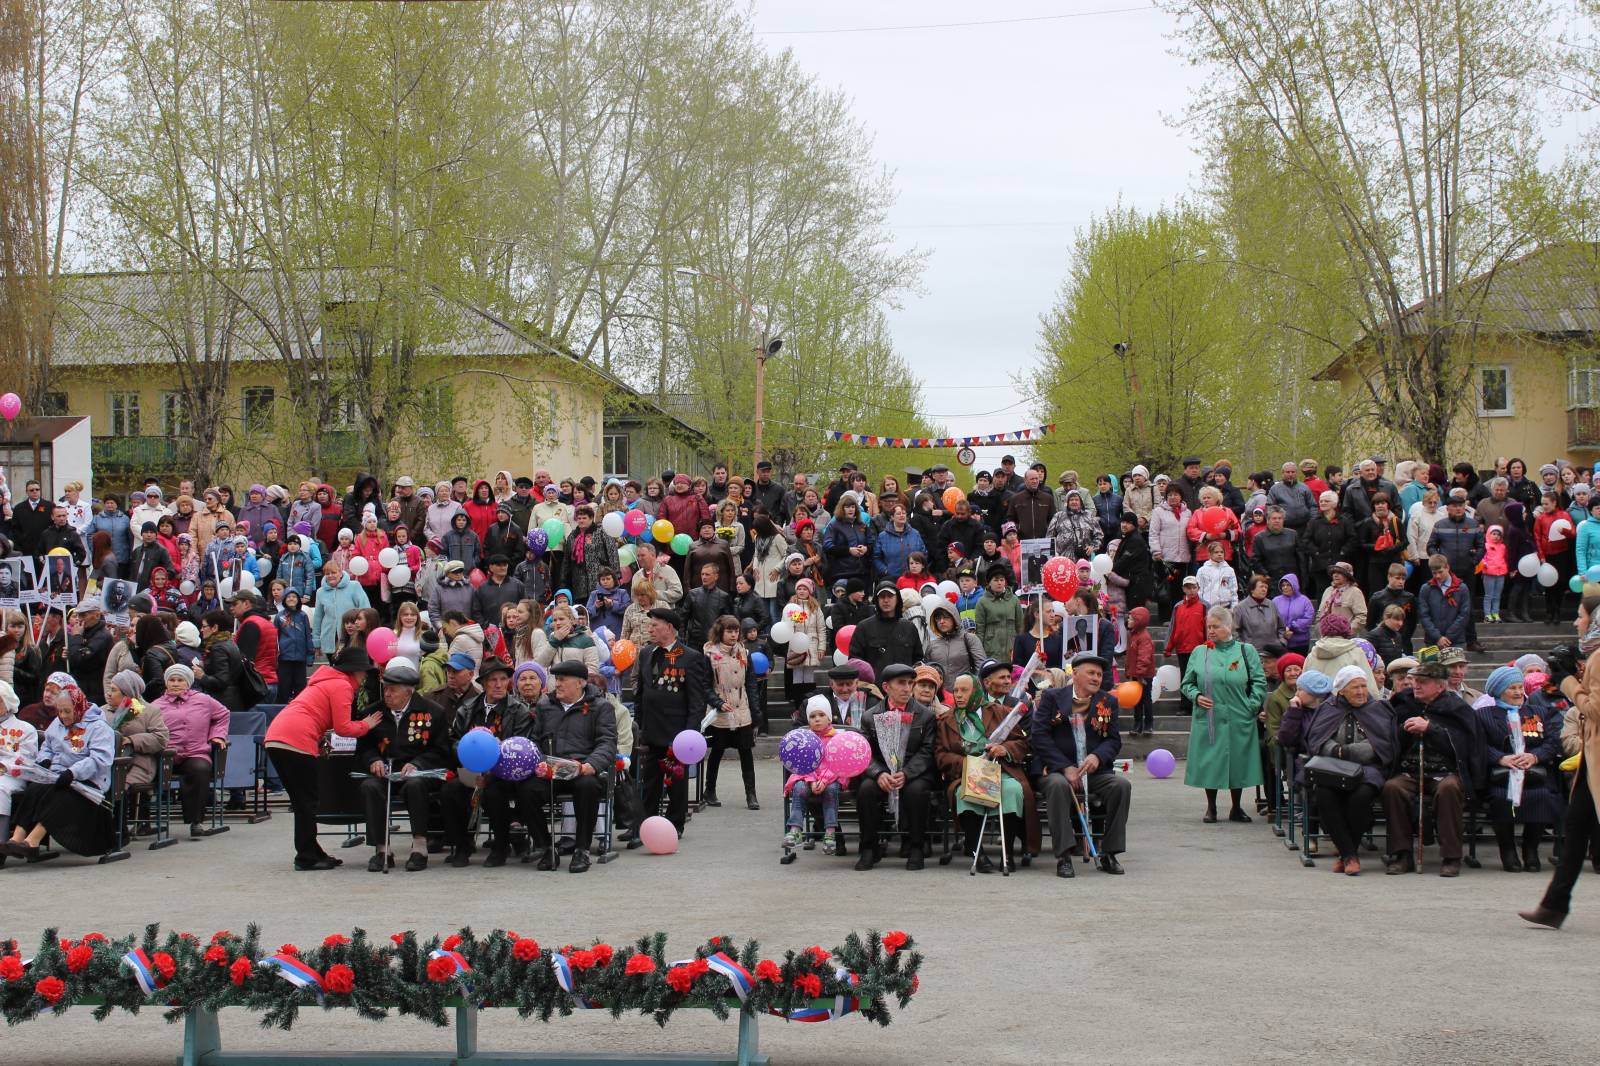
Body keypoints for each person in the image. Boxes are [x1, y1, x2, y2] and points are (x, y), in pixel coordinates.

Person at [262, 646, 378, 871]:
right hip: (295, 741)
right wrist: (366, 725)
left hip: (277, 737)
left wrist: (318, 739)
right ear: (355, 671)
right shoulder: (342, 685)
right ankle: (306, 856)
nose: (365, 676)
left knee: (302, 801)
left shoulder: (324, 681)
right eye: (364, 671)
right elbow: (343, 728)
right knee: (307, 802)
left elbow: (315, 714)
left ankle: (312, 851)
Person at [1520, 612, 1600, 926]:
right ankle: (1554, 905)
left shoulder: (1599, 658)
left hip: (1596, 756)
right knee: (1576, 828)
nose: (1577, 623)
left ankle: (1554, 905)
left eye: (1581, 617)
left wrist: (1568, 681)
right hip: (1591, 760)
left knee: (1577, 829)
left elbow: (1594, 709)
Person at [1382, 655, 1486, 876]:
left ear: (1440, 686)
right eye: (1415, 681)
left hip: (1446, 771)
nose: (1416, 686)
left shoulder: (1457, 708)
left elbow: (1465, 745)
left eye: (1423, 682)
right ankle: (1401, 855)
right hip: (1411, 768)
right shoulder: (1403, 704)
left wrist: (1431, 729)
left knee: (1449, 788)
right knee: (1393, 788)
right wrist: (1404, 730)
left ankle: (1451, 856)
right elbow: (1391, 740)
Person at [1031, 652, 1131, 878]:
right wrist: (1065, 767)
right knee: (1058, 786)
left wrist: (1097, 757)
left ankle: (1109, 853)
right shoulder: (1052, 697)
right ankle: (1064, 855)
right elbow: (1039, 736)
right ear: (1075, 674)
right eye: (1091, 673)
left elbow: (1113, 740)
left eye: (1099, 674)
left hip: (1091, 771)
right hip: (1056, 769)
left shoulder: (1108, 701)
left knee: (1121, 786)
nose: (1096, 678)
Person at [1, 674, 115, 860]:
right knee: (34, 790)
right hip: (58, 775)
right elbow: (48, 746)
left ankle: (32, 841)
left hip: (87, 782)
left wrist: (73, 772)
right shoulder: (58, 723)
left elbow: (99, 759)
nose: (63, 716)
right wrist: (44, 760)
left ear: (78, 707)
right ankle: (17, 838)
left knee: (59, 795)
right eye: (60, 711)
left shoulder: (98, 727)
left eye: (67, 711)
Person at [351, 656, 448, 872]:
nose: (387, 694)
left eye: (393, 690)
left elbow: (441, 750)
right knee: (370, 787)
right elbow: (364, 748)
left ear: (408, 692)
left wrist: (418, 763)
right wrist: (373, 760)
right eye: (385, 689)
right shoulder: (372, 713)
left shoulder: (433, 712)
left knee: (415, 785)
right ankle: (382, 849)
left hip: (418, 772)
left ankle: (420, 847)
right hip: (385, 772)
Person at [935, 664, 1034, 872]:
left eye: (964, 690)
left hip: (1000, 770)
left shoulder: (1001, 712)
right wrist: (966, 764)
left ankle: (1007, 853)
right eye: (956, 690)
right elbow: (941, 754)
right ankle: (977, 854)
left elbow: (1022, 743)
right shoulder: (947, 720)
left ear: (977, 691)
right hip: (966, 773)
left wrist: (1004, 749)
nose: (958, 695)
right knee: (963, 794)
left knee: (1013, 790)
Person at [1301, 665, 1397, 875]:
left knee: (1361, 796)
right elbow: (1318, 739)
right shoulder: (1328, 708)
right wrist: (1336, 750)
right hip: (1332, 767)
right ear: (1342, 690)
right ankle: (1349, 855)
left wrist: (1349, 752)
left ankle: (1347, 854)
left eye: (1363, 686)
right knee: (1324, 794)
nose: (1361, 691)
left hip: (1368, 767)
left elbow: (1382, 743)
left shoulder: (1378, 708)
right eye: (1355, 687)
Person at [523, 659, 617, 872]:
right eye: (556, 679)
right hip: (551, 770)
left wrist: (590, 765)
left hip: (581, 769)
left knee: (588, 786)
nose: (557, 684)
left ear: (580, 683)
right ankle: (546, 848)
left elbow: (607, 742)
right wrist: (538, 762)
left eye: (563, 679)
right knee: (526, 790)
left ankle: (582, 849)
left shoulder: (601, 707)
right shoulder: (545, 705)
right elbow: (535, 740)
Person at [1181, 605, 1267, 823]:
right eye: (1209, 627)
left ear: (1229, 627)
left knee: (1238, 760)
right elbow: (1187, 683)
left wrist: (1251, 706)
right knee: (1210, 761)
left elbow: (1259, 681)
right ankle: (1211, 807)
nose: (1211, 631)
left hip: (1239, 715)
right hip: (1209, 717)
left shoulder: (1246, 651)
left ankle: (1236, 807)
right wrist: (1196, 696)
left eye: (1216, 627)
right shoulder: (1200, 652)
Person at [1477, 664, 1565, 873]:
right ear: (1499, 691)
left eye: (1519, 687)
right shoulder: (1483, 715)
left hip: (1535, 772)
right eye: (1512, 688)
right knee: (1500, 798)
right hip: (1501, 774)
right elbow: (1477, 744)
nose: (1518, 692)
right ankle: (1507, 849)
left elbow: (1553, 741)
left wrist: (1535, 756)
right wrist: (1500, 758)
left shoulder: (1540, 712)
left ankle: (1530, 848)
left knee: (1544, 796)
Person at [853, 663, 939, 871]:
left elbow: (928, 750)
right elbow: (864, 752)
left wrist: (907, 773)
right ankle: (869, 847)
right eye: (901, 683)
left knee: (916, 791)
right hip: (882, 770)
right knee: (866, 790)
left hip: (913, 772)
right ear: (886, 687)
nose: (907, 688)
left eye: (910, 683)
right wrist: (878, 773)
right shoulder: (870, 716)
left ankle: (916, 846)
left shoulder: (925, 716)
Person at [633, 607, 711, 835]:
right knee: (650, 781)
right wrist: (640, 725)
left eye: (654, 625)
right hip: (651, 729)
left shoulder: (690, 656)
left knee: (676, 781)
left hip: (676, 733)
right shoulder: (647, 653)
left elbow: (697, 700)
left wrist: (690, 734)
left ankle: (675, 824)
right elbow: (641, 693)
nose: (650, 629)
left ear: (669, 628)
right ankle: (646, 825)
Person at [147, 663, 229, 837]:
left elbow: (223, 714)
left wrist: (217, 735)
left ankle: (196, 821)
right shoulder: (155, 705)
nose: (175, 684)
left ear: (188, 682)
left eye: (180, 680)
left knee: (200, 769)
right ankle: (143, 822)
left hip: (195, 752)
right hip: (166, 755)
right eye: (172, 680)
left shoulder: (204, 700)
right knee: (144, 769)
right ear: (166, 682)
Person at [703, 614, 759, 810]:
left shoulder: (744, 652)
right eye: (729, 631)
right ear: (721, 632)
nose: (734, 635)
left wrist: (755, 711)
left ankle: (751, 794)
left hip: (741, 708)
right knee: (717, 751)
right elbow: (705, 685)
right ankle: (709, 790)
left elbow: (751, 683)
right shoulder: (709, 654)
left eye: (736, 631)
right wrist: (717, 702)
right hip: (720, 710)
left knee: (746, 752)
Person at [784, 695, 847, 856]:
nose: (817, 719)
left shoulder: (837, 738)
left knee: (830, 791)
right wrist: (812, 781)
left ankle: (830, 832)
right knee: (799, 788)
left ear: (829, 718)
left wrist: (824, 780)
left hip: (831, 779)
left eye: (821, 715)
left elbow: (838, 765)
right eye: (812, 716)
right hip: (808, 777)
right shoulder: (804, 739)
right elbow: (801, 764)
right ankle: (795, 829)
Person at [1164, 576, 1207, 714]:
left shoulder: (1205, 606)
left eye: (1194, 587)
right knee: (1185, 678)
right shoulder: (1178, 606)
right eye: (1188, 587)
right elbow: (1173, 627)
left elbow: (1208, 628)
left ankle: (1199, 705)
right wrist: (1168, 647)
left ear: (1198, 588)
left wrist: (1209, 645)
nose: (1191, 590)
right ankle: (1185, 706)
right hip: (1182, 648)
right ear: (1183, 589)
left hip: (1200, 649)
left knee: (1200, 677)